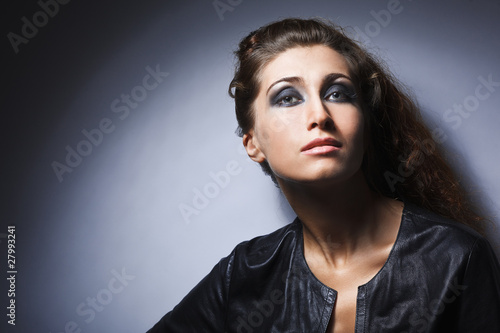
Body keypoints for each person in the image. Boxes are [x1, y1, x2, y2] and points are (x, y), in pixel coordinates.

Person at [147, 18, 500, 332]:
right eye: (287, 98)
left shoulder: (457, 257)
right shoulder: (244, 273)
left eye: (337, 93)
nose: (319, 114)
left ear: (364, 124)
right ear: (252, 143)